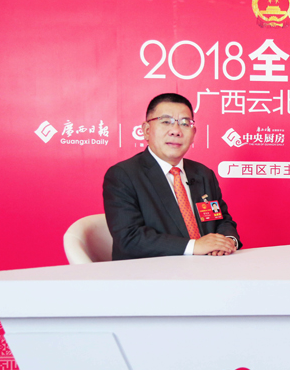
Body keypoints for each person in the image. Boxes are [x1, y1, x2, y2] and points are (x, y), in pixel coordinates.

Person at [103, 93, 241, 260]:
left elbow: (221, 220)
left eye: (184, 123)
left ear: (193, 133)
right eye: (166, 122)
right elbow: (130, 237)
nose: (176, 131)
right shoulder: (123, 175)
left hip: (207, 267)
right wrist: (194, 246)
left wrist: (227, 241)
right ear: (146, 130)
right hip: (150, 272)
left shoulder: (203, 174)